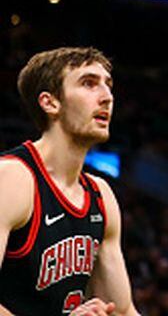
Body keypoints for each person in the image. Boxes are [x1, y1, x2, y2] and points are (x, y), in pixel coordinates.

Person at [0, 47, 140, 316]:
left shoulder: (100, 195)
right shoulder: (12, 179)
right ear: (50, 102)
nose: (107, 97)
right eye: (89, 83)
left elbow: (122, 311)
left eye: (108, 86)